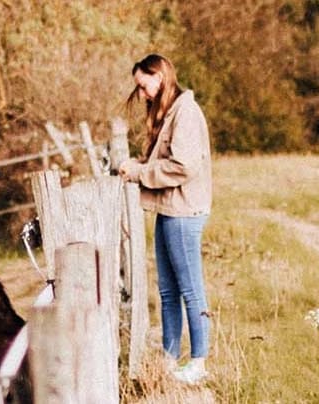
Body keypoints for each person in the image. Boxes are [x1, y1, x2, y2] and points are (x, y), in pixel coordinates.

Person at [117, 53, 214, 384]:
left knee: (190, 289)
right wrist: (139, 163)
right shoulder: (171, 111)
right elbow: (166, 158)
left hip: (184, 212)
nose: (142, 94)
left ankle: (199, 362)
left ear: (159, 76)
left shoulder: (185, 112)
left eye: (144, 86)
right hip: (169, 209)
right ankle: (169, 360)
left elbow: (184, 166)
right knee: (168, 291)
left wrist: (140, 172)